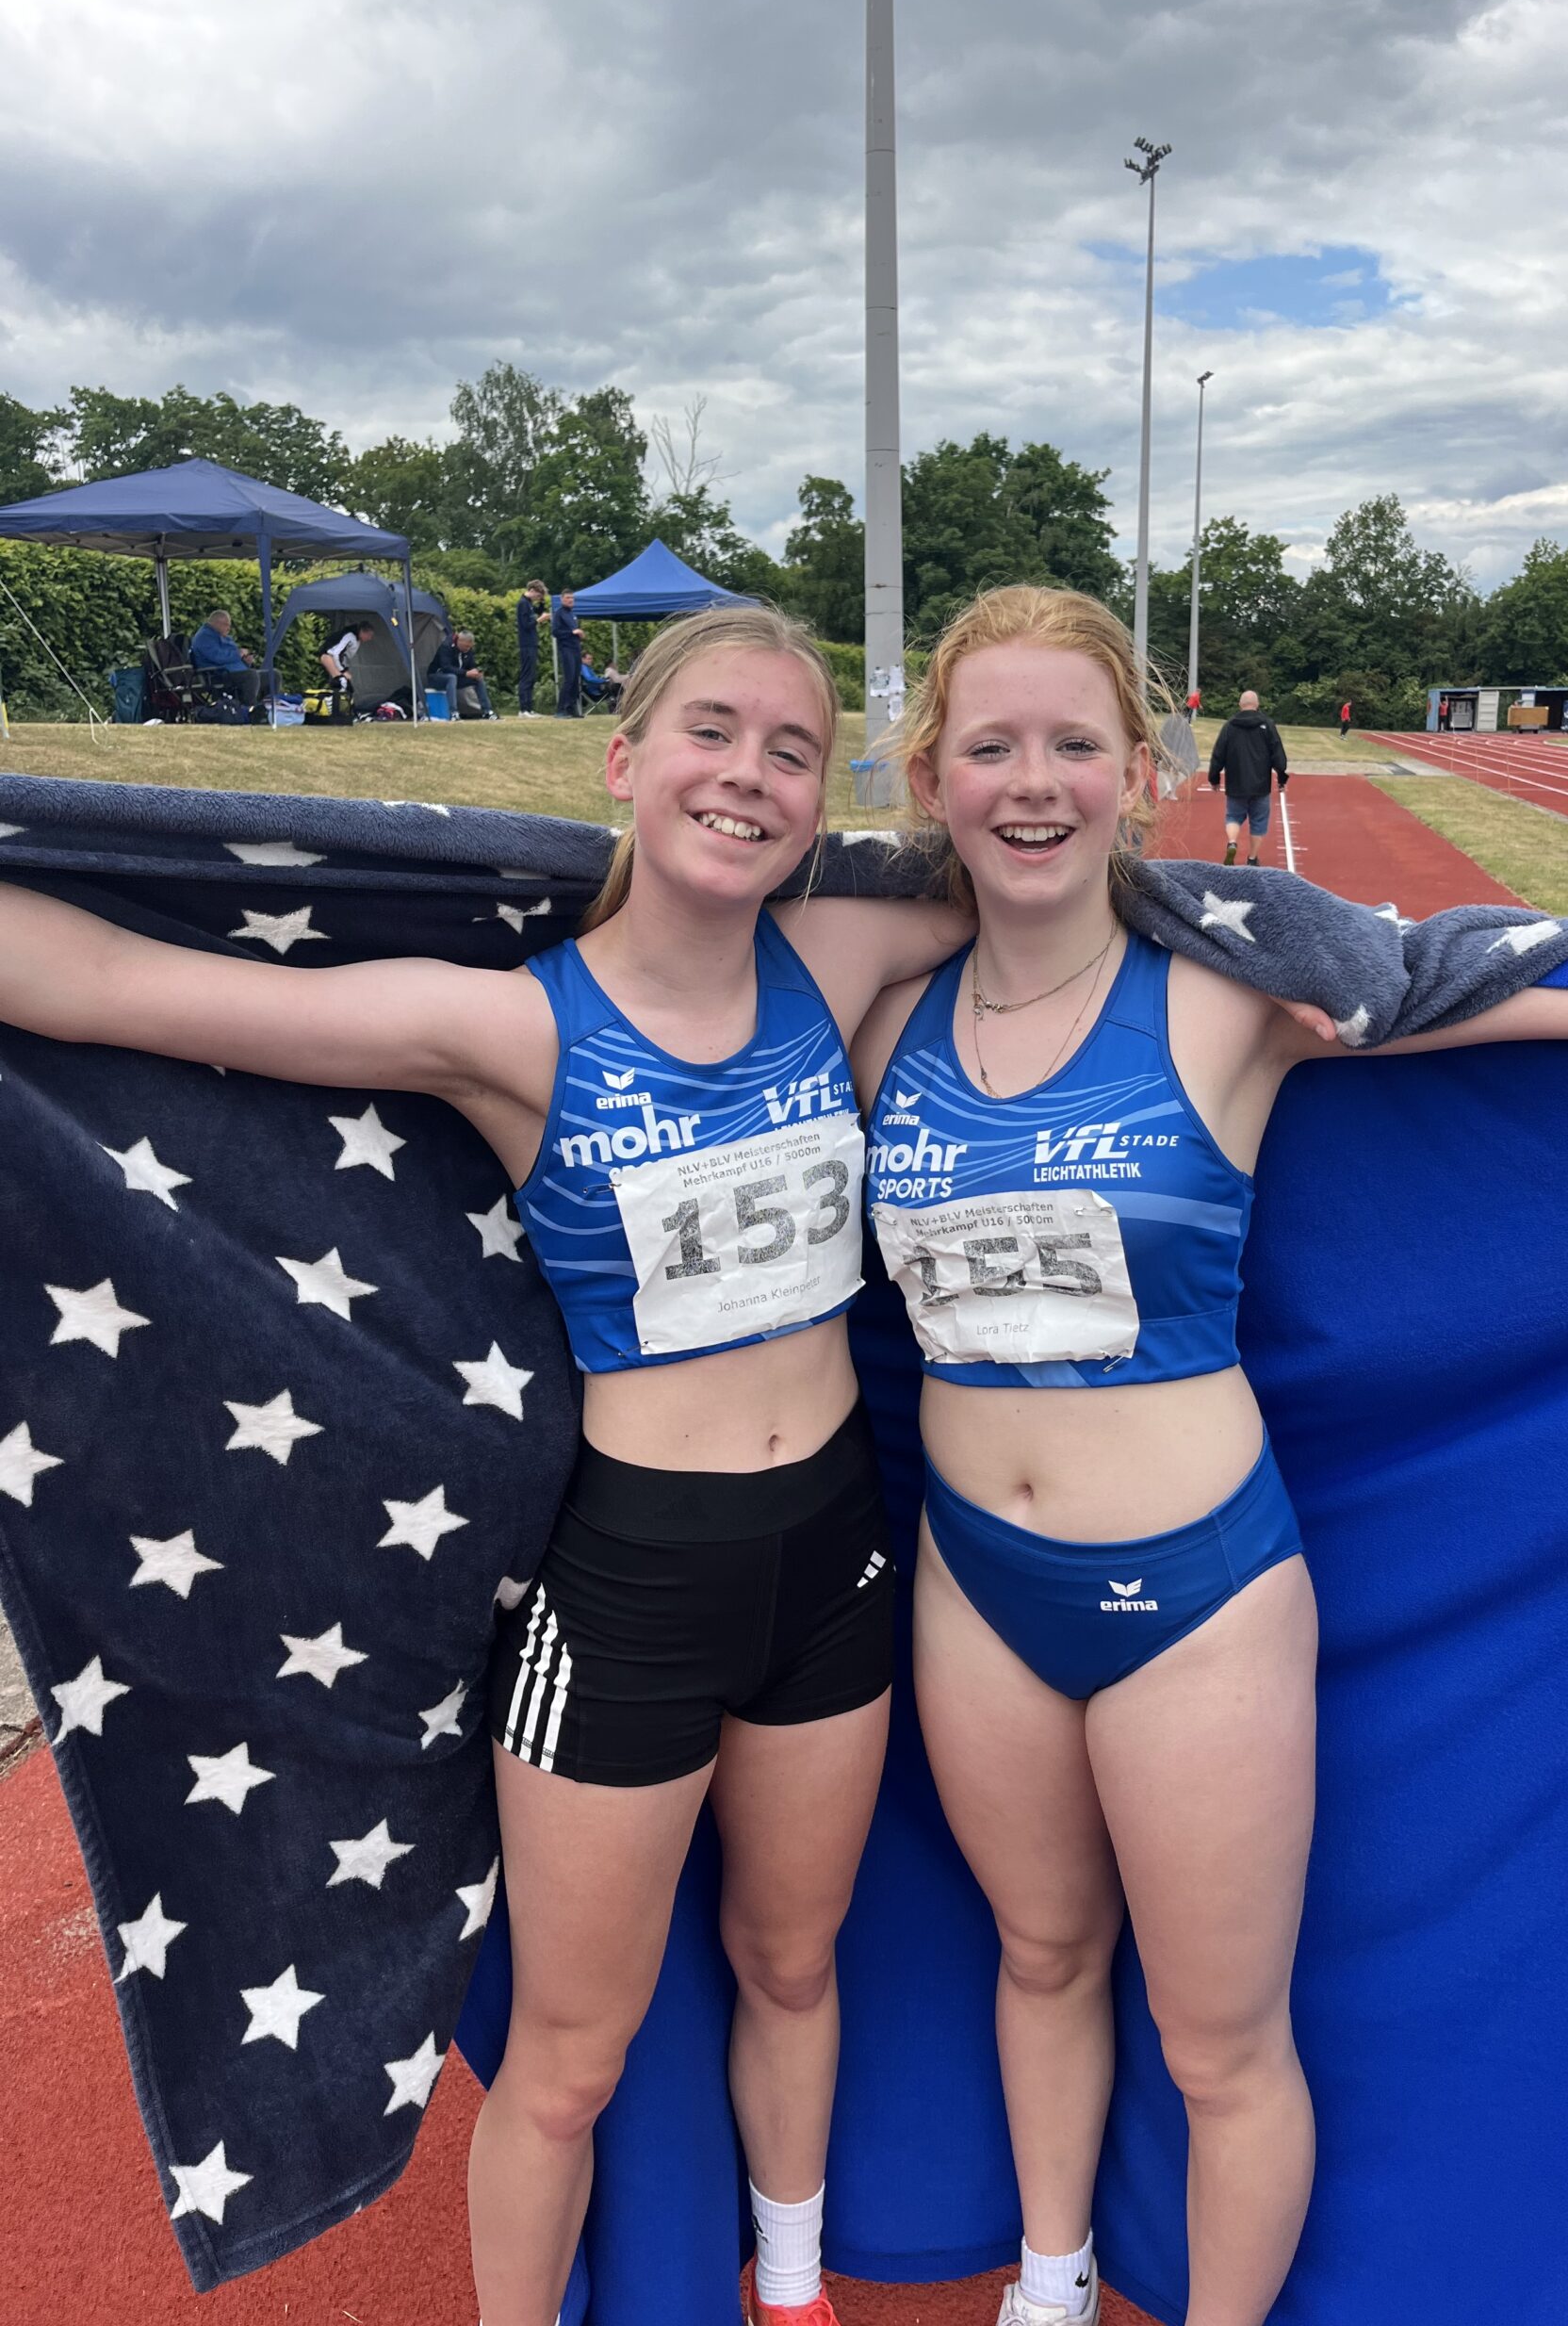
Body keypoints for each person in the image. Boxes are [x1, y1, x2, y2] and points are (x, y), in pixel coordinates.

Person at [0, 602, 969, 2326]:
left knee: (792, 1963)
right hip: (634, 1593)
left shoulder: (834, 961)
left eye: (792, 751)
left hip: (835, 1560)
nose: (747, 774)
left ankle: (793, 2290)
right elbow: (119, 986)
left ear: (822, 804)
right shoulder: (513, 1030)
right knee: (572, 2058)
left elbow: (1049, 889)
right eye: (711, 731)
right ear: (623, 761)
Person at [853, 582, 1568, 2326]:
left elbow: (1543, 990)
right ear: (931, 777)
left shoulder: (1233, 995)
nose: (1033, 781)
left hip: (1197, 1600)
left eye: (1074, 743)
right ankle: (1050, 2286)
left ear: (1145, 771)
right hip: (974, 1583)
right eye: (990, 746)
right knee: (1041, 1956)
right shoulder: (878, 1020)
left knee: (1219, 2039)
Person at [1207, 689, 1288, 866]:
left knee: (1233, 817)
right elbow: (1277, 753)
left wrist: (1214, 778)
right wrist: (1282, 777)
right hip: (1260, 784)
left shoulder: (1229, 726)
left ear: (1240, 705)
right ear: (1257, 704)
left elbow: (1218, 754)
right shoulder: (1267, 725)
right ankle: (1252, 858)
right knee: (1258, 822)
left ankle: (1232, 842)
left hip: (1236, 783)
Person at [188, 607, 259, 709]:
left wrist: (245, 662)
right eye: (226, 625)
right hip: (217, 675)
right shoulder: (203, 637)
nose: (229, 628)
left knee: (272, 675)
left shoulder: (223, 636)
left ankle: (268, 710)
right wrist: (238, 654)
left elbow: (233, 658)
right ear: (216, 623)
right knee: (251, 676)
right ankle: (250, 711)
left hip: (233, 672)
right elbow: (217, 657)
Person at [515, 581, 549, 715]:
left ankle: (529, 708)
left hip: (532, 643)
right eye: (538, 595)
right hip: (526, 644)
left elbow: (537, 611)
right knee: (526, 675)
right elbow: (526, 625)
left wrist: (542, 603)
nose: (537, 598)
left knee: (531, 676)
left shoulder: (528, 603)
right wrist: (540, 620)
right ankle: (523, 708)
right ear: (532, 590)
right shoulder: (523, 604)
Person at [552, 587, 584, 717]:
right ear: (562, 599)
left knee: (576, 679)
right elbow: (555, 632)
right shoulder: (559, 614)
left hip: (576, 649)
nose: (570, 600)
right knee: (569, 679)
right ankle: (561, 710)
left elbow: (575, 632)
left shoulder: (572, 615)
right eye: (568, 598)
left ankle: (571, 708)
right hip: (566, 649)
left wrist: (579, 635)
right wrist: (571, 632)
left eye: (572, 598)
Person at [454, 629, 497, 720]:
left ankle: (487, 710)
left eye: (470, 647)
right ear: (459, 641)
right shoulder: (449, 649)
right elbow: (447, 668)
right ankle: (454, 712)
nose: (468, 649)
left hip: (461, 677)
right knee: (451, 678)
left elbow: (472, 665)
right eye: (466, 646)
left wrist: (476, 672)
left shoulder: (468, 651)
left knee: (479, 680)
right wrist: (466, 673)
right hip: (450, 676)